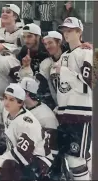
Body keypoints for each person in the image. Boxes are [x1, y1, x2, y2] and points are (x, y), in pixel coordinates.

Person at [56, 17, 92, 180]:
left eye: (70, 30)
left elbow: (89, 85)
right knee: (76, 155)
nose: (66, 34)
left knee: (76, 157)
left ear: (80, 32)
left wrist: (64, 72)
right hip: (65, 113)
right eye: (64, 30)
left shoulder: (87, 52)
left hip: (80, 112)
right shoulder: (64, 55)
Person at [0, 84, 52, 181]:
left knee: (8, 165)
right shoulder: (9, 111)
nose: (6, 102)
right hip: (23, 156)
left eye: (12, 100)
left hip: (39, 160)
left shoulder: (27, 122)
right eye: (5, 98)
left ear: (20, 103)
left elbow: (23, 152)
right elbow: (1, 105)